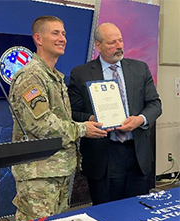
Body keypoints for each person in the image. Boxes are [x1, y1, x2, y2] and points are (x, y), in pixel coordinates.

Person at [9, 16, 110, 221]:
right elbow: (42, 125)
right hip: (38, 175)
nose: (62, 38)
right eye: (55, 33)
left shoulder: (54, 76)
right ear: (38, 38)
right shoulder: (31, 76)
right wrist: (82, 129)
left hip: (58, 171)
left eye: (63, 33)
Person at [68, 22, 162, 205]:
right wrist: (91, 119)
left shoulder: (140, 69)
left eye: (120, 40)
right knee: (106, 215)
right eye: (112, 42)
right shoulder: (81, 73)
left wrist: (140, 120)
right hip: (104, 156)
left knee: (137, 213)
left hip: (136, 155)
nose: (119, 46)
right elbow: (72, 112)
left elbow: (155, 104)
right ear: (98, 45)